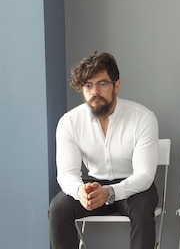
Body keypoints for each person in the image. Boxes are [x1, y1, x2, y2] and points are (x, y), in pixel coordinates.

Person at [49, 52, 159, 249]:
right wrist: (79, 191)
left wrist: (110, 192)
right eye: (88, 85)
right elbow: (66, 173)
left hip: (133, 186)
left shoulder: (143, 118)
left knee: (143, 211)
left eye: (102, 83)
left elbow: (145, 174)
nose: (94, 91)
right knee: (58, 209)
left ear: (116, 85)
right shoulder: (69, 122)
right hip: (93, 185)